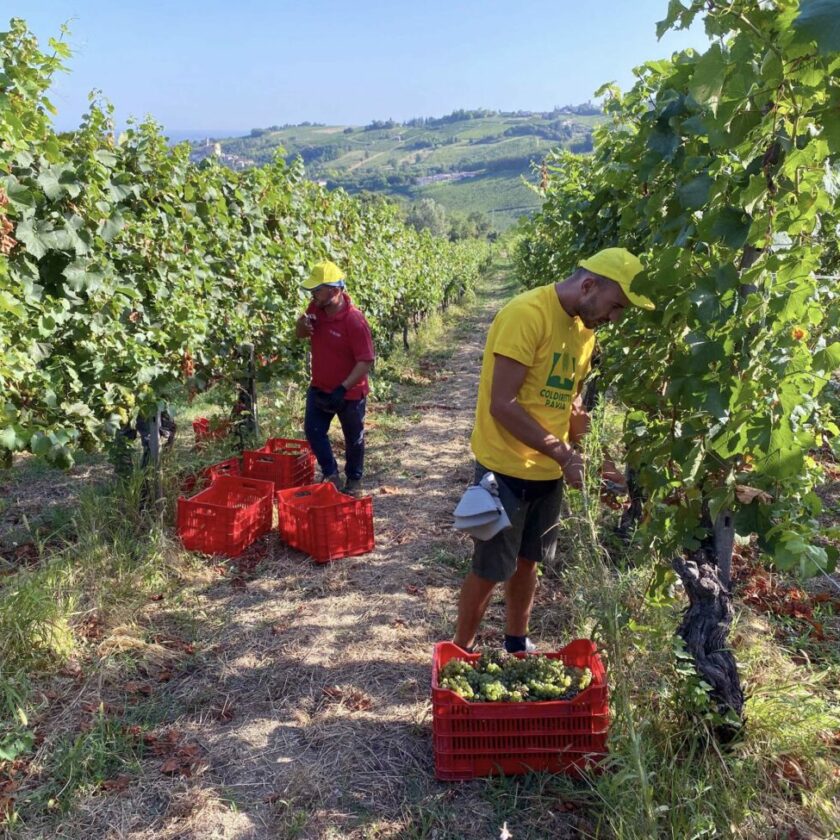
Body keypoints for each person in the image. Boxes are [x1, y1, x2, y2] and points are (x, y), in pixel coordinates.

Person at [452, 247, 654, 653]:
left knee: (529, 561)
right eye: (615, 306)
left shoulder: (584, 331)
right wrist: (565, 456)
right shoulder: (527, 314)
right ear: (589, 284)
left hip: (546, 472)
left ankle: (516, 643)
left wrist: (596, 458)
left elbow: (570, 404)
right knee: (491, 568)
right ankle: (460, 651)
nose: (614, 318)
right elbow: (502, 404)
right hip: (504, 467)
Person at [296, 261, 375, 494]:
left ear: (335, 291)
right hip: (320, 387)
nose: (313, 294)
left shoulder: (354, 321)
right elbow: (300, 335)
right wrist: (300, 326)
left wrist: (342, 388)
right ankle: (330, 474)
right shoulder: (315, 309)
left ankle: (354, 480)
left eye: (317, 290)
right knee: (313, 430)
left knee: (354, 439)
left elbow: (366, 361)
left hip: (349, 393)